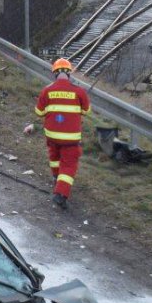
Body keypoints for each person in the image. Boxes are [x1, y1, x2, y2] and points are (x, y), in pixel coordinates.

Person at [23, 59, 90, 210]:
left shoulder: (47, 90)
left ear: (54, 73)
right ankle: (60, 194)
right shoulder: (79, 91)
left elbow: (39, 112)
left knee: (54, 158)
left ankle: (56, 178)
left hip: (52, 135)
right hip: (71, 139)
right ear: (69, 73)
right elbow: (86, 111)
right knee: (69, 165)